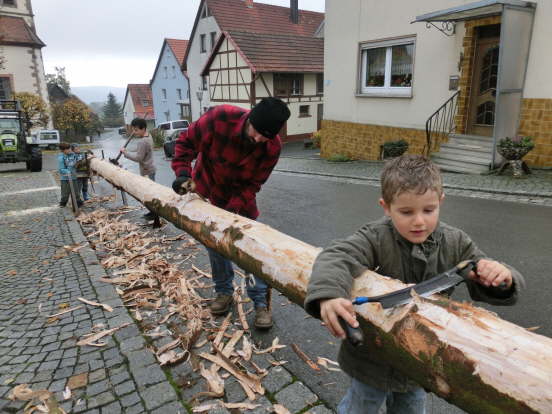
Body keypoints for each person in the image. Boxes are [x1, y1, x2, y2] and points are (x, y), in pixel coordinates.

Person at [304, 154, 524, 414]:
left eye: (428, 210)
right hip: (371, 358)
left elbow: (486, 273)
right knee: (360, 406)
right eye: (406, 212)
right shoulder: (375, 237)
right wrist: (329, 294)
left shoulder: (456, 242)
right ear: (386, 206)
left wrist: (501, 277)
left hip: (419, 362)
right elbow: (337, 255)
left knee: (411, 409)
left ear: (440, 202)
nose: (419, 221)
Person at [171, 97, 290, 329]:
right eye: (256, 131)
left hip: (240, 203)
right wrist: (182, 173)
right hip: (207, 193)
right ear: (249, 119)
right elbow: (185, 143)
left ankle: (259, 303)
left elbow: (254, 184)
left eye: (264, 136)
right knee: (215, 248)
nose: (257, 139)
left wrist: (231, 211)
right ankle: (224, 292)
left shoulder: (272, 147)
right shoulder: (220, 117)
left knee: (250, 253)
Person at [120, 118, 157, 220]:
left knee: (147, 194)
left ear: (143, 128)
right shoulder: (148, 136)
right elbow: (139, 150)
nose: (134, 132)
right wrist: (127, 150)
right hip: (151, 169)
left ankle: (154, 213)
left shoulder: (142, 142)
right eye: (133, 130)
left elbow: (138, 157)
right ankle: (153, 212)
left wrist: (125, 154)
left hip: (146, 171)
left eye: (136, 130)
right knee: (150, 192)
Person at [58, 142, 83, 208]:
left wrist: (80, 157)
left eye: (70, 149)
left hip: (73, 177)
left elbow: (80, 156)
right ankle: (63, 203)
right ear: (63, 150)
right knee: (65, 193)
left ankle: (78, 202)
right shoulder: (61, 158)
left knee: (76, 192)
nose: (70, 150)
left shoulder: (73, 154)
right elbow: (61, 169)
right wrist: (68, 171)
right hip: (65, 178)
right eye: (68, 149)